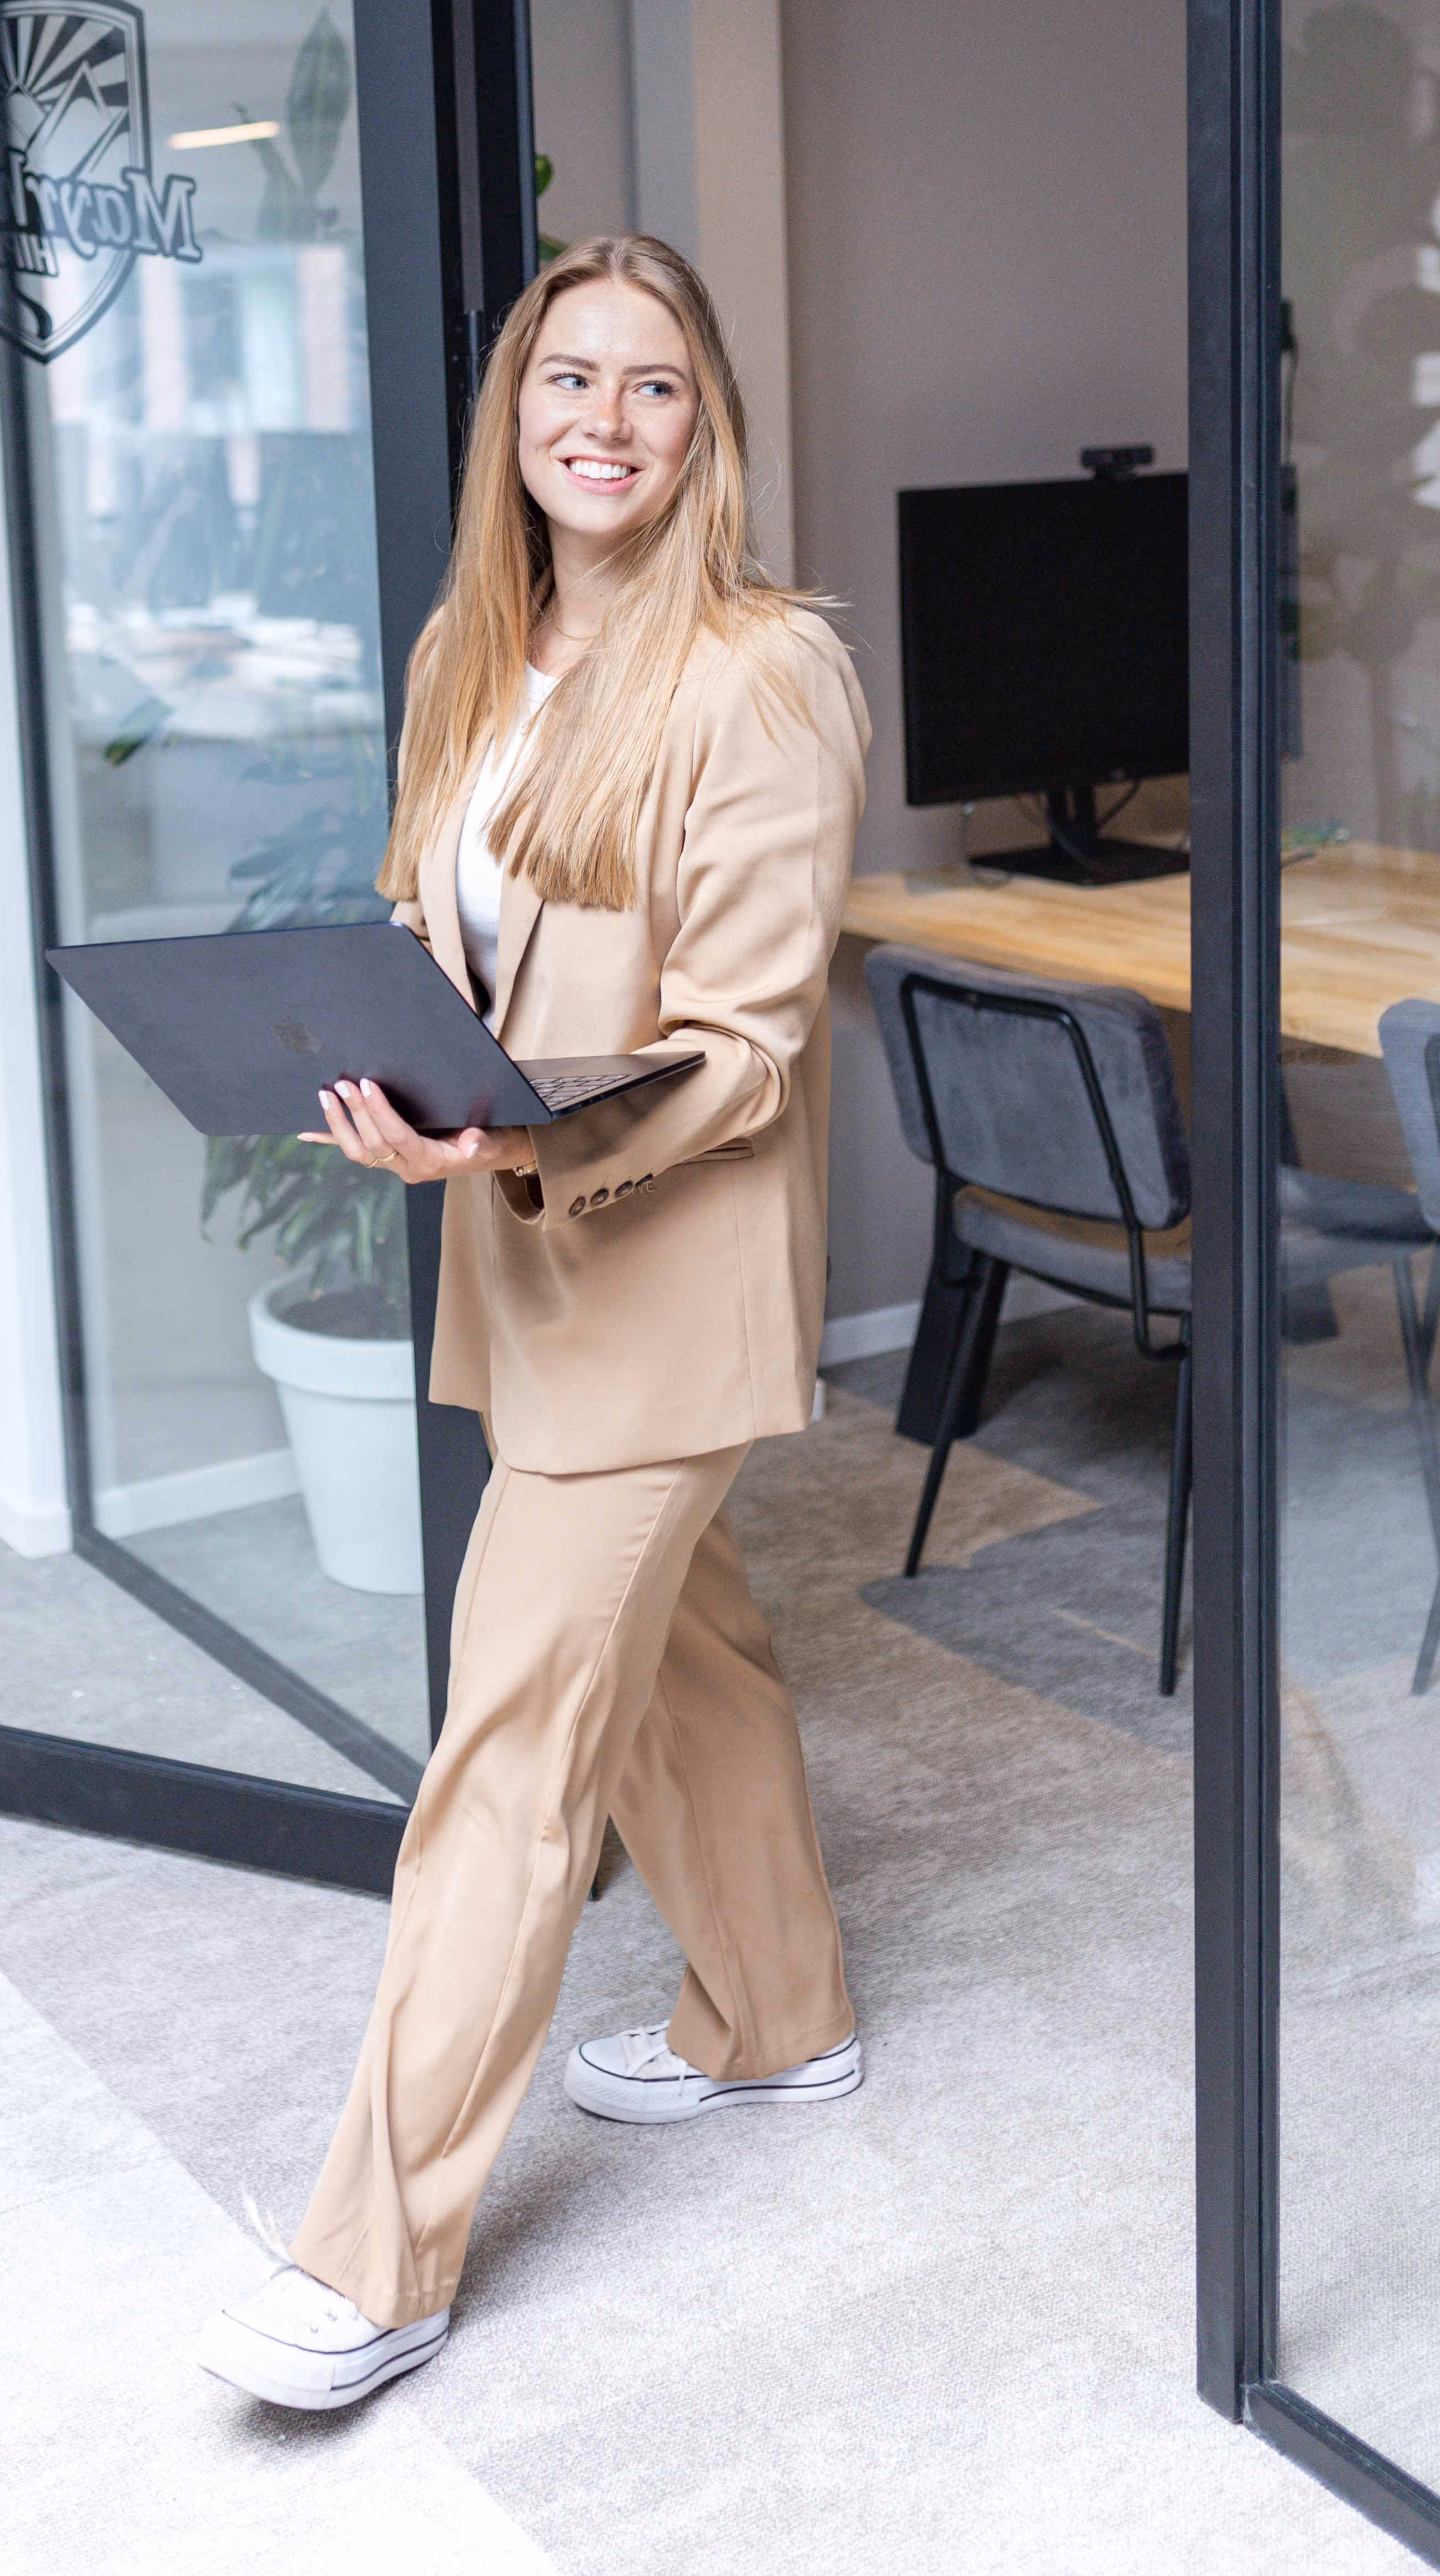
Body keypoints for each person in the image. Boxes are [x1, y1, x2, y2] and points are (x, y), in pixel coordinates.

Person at [197, 233, 871, 2413]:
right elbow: (446, 926)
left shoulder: (760, 672)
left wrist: (507, 1143)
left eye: (652, 386)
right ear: (514, 418)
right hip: (524, 1257)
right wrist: (387, 1058)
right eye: (564, 377)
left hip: (655, 1283)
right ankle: (777, 2017)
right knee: (685, 1650)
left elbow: (749, 1040)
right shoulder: (480, 660)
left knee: (505, 1746)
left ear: (707, 433)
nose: (602, 418)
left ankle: (375, 2253)